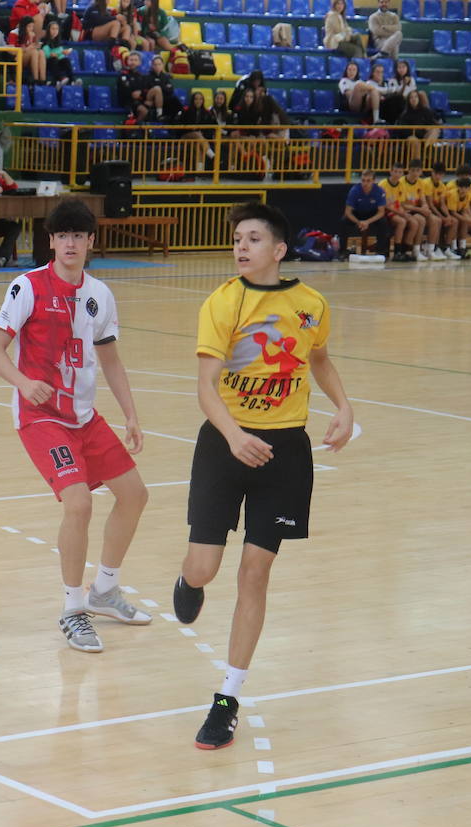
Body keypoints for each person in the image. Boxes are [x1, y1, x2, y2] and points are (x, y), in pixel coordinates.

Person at [172, 202, 352, 750]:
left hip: (286, 451)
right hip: (226, 443)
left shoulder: (311, 304)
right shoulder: (222, 303)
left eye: (253, 238)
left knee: (255, 571)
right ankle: (188, 580)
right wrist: (233, 436)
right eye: (237, 239)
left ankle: (226, 698)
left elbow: (318, 358)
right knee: (205, 568)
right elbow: (206, 386)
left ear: (278, 250)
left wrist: (344, 407)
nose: (241, 246)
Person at [0, 199, 149, 653]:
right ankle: (74, 609)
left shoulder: (99, 294)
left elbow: (111, 360)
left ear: (91, 241)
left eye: (79, 235)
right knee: (78, 504)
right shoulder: (27, 287)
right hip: (41, 418)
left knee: (135, 495)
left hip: (85, 417)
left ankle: (106, 591)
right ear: (51, 241)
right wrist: (23, 382)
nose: (70, 243)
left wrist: (131, 413)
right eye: (62, 236)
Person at [338, 169, 391, 257]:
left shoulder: (379, 191)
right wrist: (359, 222)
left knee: (383, 222)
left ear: (373, 181)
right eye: (363, 180)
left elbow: (381, 212)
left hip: (372, 214)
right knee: (344, 221)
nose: (365, 183)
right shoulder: (354, 190)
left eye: (368, 181)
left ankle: (381, 252)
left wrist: (367, 222)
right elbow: (348, 212)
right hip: (358, 213)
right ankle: (343, 252)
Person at [380, 161, 421, 261]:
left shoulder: (401, 185)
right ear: (391, 172)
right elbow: (385, 205)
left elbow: (401, 203)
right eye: (395, 171)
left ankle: (405, 251)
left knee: (414, 223)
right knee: (402, 222)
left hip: (397, 211)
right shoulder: (383, 184)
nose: (397, 174)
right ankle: (397, 252)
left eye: (399, 172)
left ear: (402, 173)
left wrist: (405, 214)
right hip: (385, 212)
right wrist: (401, 213)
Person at [427, 160, 461, 260]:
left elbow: (442, 204)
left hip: (436, 210)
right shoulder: (427, 183)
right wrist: (441, 216)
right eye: (436, 174)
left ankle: (446, 248)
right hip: (429, 210)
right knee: (438, 220)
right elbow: (430, 204)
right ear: (432, 173)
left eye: (441, 174)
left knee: (454, 221)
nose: (438, 176)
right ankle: (433, 248)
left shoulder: (442, 186)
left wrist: (448, 216)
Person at [178, 90, 219, 168]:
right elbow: (179, 126)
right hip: (185, 136)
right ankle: (213, 156)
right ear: (193, 100)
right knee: (197, 134)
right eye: (196, 99)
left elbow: (211, 127)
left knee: (198, 147)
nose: (198, 101)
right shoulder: (186, 111)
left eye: (200, 99)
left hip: (199, 139)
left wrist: (202, 131)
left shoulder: (207, 113)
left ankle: (199, 171)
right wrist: (191, 128)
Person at [396, 89, 440, 161]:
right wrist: (419, 129)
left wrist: (429, 128)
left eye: (416, 97)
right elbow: (404, 131)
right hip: (411, 138)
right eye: (411, 97)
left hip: (424, 137)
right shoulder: (405, 114)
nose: (414, 99)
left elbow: (433, 123)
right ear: (408, 100)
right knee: (415, 141)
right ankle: (417, 165)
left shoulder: (426, 111)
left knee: (435, 130)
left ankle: (426, 147)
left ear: (419, 99)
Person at [118, 51, 160, 122]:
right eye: (131, 60)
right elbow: (131, 93)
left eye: (135, 60)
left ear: (139, 62)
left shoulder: (141, 76)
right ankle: (134, 127)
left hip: (141, 100)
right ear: (127, 61)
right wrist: (141, 93)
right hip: (128, 102)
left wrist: (142, 94)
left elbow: (145, 89)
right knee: (143, 111)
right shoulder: (123, 75)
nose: (133, 62)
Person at [12, 19, 47, 85]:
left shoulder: (31, 35)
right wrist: (27, 48)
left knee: (41, 52)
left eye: (32, 26)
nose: (31, 29)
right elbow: (12, 52)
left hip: (29, 57)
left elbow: (31, 47)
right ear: (23, 26)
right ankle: (35, 80)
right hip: (17, 58)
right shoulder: (14, 33)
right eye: (29, 26)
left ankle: (43, 80)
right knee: (34, 52)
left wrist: (34, 44)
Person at [380, 58, 416, 123]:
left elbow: (412, 93)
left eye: (403, 67)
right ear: (396, 69)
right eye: (399, 67)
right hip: (395, 102)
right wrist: (404, 85)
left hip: (408, 100)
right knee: (398, 98)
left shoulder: (412, 80)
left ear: (407, 68)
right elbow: (397, 94)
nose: (401, 69)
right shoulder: (392, 80)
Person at [40, 19, 76, 85]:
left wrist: (63, 53)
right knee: (53, 60)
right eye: (53, 29)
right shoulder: (45, 41)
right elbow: (46, 55)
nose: (55, 31)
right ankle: (60, 79)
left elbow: (60, 55)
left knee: (66, 60)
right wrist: (54, 54)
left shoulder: (58, 41)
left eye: (56, 29)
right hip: (48, 63)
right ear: (48, 30)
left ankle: (72, 80)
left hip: (57, 61)